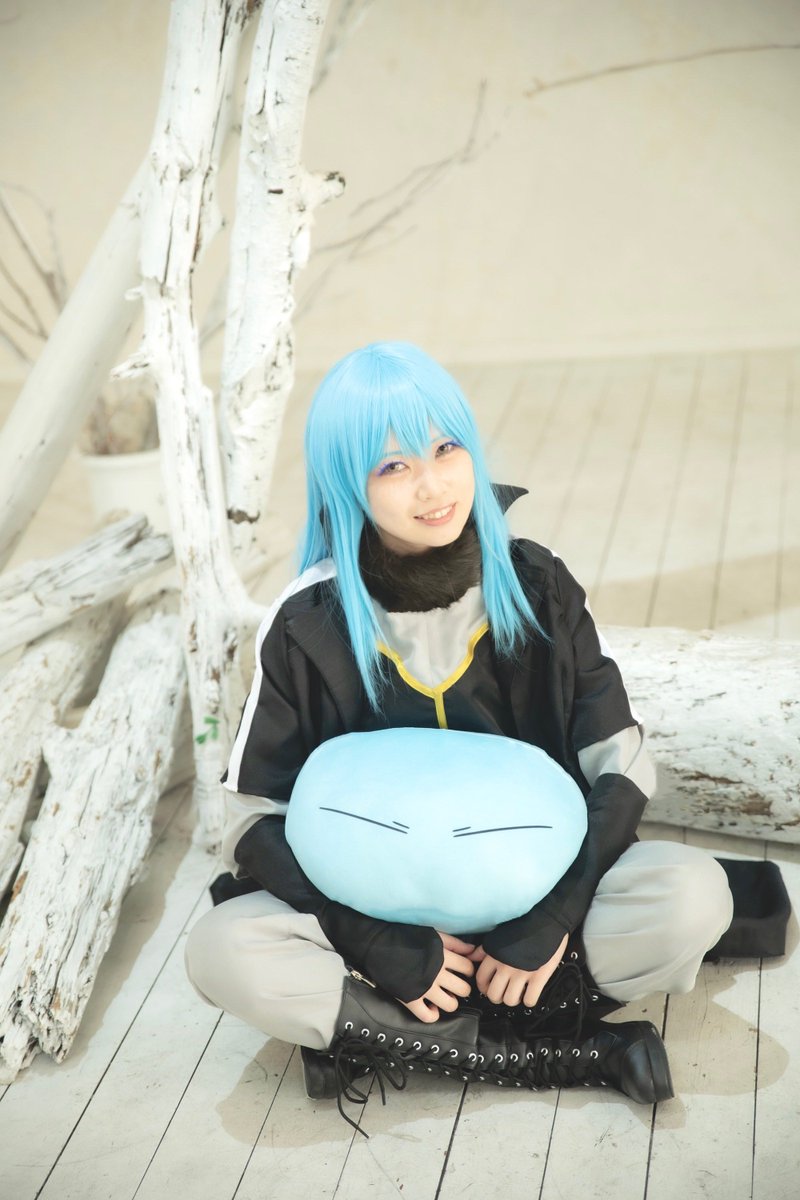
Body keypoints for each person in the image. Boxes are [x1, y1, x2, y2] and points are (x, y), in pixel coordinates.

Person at [185, 341, 733, 1124]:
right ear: (345, 484)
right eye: (393, 466)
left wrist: (550, 918)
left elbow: (621, 768)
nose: (433, 484)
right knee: (222, 951)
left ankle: (384, 1033)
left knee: (693, 896)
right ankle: (565, 1049)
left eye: (447, 449)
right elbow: (251, 817)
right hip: (375, 916)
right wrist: (374, 942)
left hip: (537, 900)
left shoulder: (537, 584)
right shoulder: (309, 621)